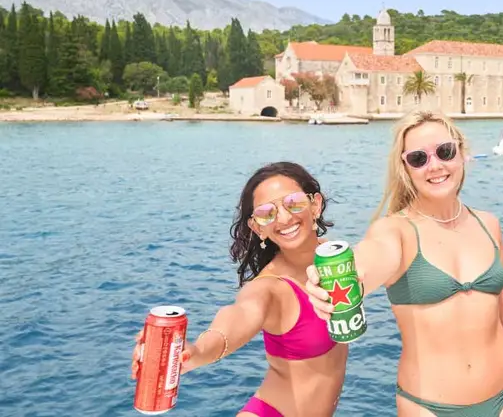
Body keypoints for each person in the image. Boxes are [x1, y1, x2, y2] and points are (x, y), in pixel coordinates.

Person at [304, 110, 503, 417]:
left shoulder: (488, 224)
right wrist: (349, 277)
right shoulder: (395, 230)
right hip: (429, 409)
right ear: (405, 167)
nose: (435, 166)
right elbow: (372, 256)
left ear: (462, 153)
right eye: (419, 158)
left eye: (445, 152)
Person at [130, 161, 349, 417]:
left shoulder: (337, 258)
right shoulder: (270, 289)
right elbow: (240, 315)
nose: (285, 217)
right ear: (257, 228)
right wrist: (197, 352)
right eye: (268, 213)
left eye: (294, 202)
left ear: (316, 205)